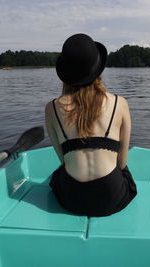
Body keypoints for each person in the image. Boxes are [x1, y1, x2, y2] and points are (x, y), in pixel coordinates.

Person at [45, 33, 137, 217]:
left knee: (58, 175)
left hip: (71, 199)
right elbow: (122, 162)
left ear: (65, 73)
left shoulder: (52, 108)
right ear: (98, 69)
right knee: (124, 172)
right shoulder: (120, 103)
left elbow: (63, 160)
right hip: (111, 197)